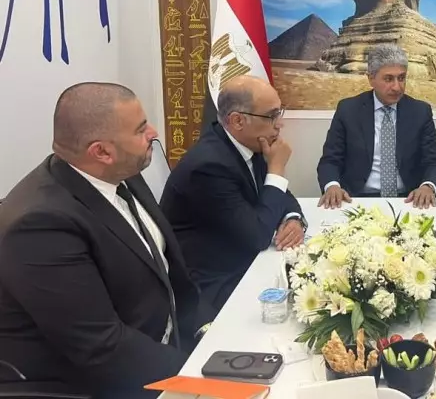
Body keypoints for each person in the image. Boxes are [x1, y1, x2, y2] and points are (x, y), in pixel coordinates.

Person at [0, 83, 213, 398]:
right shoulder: (40, 225)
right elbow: (101, 346)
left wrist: (208, 331)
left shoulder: (122, 170)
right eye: (141, 129)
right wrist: (199, 375)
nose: (153, 133)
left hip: (162, 349)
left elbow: (169, 272)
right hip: (101, 381)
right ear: (101, 152)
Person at [161, 75, 306, 314]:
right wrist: (277, 168)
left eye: (279, 113)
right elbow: (258, 236)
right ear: (238, 121)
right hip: (212, 283)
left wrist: (293, 218)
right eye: (271, 116)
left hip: (242, 256)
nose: (279, 124)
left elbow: (280, 193)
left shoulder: (249, 143)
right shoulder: (208, 166)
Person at [316, 44, 436, 209]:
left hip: (409, 199)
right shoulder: (348, 110)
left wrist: (428, 186)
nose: (397, 87)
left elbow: (434, 162)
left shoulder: (420, 112)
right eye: (388, 79)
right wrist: (332, 186)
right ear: (371, 79)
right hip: (356, 199)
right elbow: (330, 161)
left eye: (401, 78)